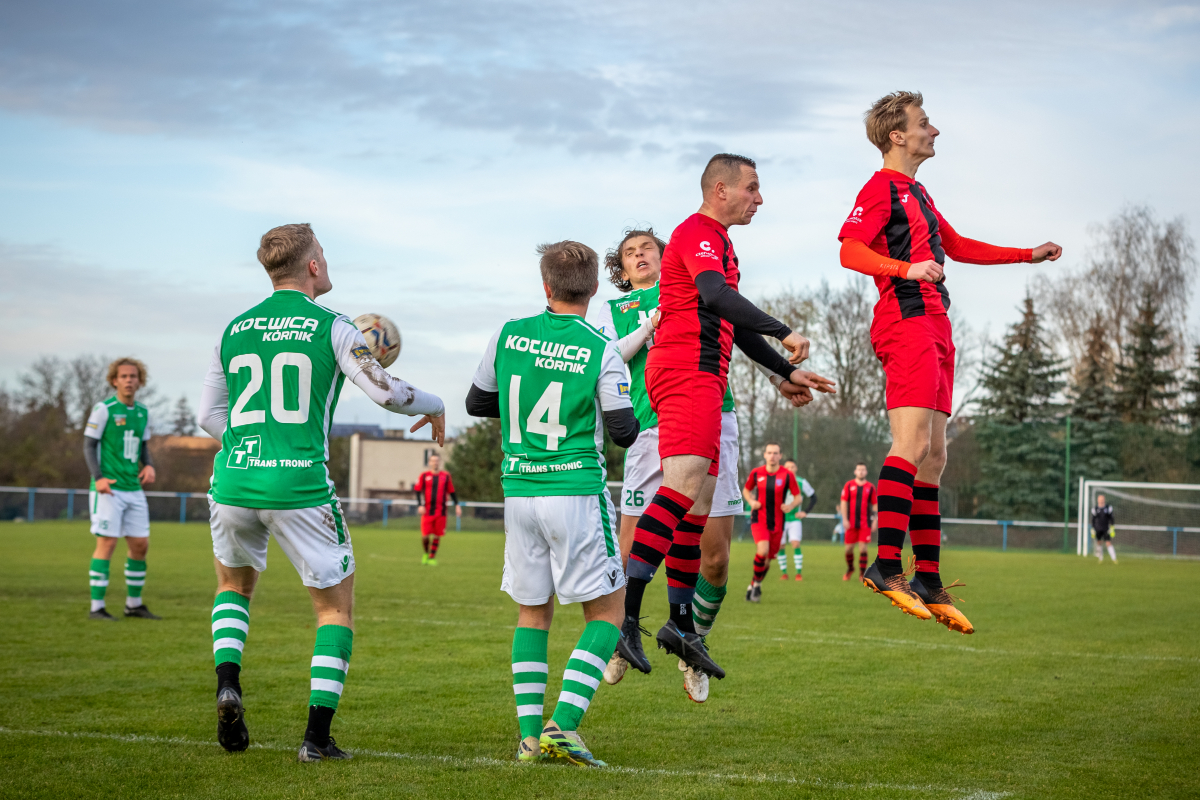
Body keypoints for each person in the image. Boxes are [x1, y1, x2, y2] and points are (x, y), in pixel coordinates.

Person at [196, 223, 446, 761]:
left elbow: (207, 415)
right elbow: (384, 392)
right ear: (312, 265)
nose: (327, 264)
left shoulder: (233, 329)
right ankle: (316, 739)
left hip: (234, 480)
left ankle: (228, 685)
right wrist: (435, 403)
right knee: (334, 610)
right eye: (324, 256)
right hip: (300, 487)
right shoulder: (333, 325)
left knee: (233, 588)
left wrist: (251, 445)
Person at [839, 92, 1062, 634]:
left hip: (937, 326)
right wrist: (906, 269)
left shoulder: (918, 191)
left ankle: (928, 578)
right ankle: (885, 565)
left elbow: (956, 244)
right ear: (897, 135)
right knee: (912, 445)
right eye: (925, 123)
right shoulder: (880, 187)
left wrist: (1025, 255)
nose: (934, 130)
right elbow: (849, 248)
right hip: (907, 320)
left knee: (935, 457)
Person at [615, 153, 835, 684]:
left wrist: (784, 371)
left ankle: (680, 625)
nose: (759, 198)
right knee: (680, 492)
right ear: (721, 189)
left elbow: (726, 318)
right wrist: (784, 330)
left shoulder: (720, 243)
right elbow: (716, 295)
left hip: (707, 377)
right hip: (686, 371)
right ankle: (625, 620)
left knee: (696, 507)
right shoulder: (697, 232)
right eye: (752, 188)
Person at [465, 240, 639, 767]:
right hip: (576, 493)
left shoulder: (508, 333)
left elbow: (476, 401)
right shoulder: (601, 347)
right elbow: (624, 431)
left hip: (519, 490)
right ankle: (562, 725)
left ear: (546, 286)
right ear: (594, 288)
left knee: (532, 612)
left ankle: (527, 738)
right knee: (608, 612)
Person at [589, 227, 763, 703]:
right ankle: (621, 634)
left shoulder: (691, 286)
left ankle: (691, 642)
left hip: (714, 413)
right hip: (649, 426)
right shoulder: (613, 309)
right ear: (622, 269)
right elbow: (610, 359)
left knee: (717, 557)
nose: (639, 255)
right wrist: (650, 326)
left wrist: (780, 372)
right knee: (629, 546)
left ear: (666, 256)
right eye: (629, 253)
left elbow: (736, 325)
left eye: (647, 248)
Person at [84, 357, 160, 621]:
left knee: (140, 544)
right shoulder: (103, 409)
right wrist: (99, 477)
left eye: (133, 376)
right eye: (124, 376)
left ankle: (133, 605)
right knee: (107, 543)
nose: (129, 380)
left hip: (134, 488)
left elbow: (143, 445)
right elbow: (89, 445)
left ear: (140, 381)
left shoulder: (143, 412)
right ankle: (97, 607)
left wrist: (148, 465)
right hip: (109, 489)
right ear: (114, 380)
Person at [742, 443, 801, 601]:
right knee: (762, 550)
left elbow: (798, 497)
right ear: (765, 455)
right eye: (769, 452)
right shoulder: (756, 473)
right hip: (759, 518)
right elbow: (746, 490)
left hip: (777, 522)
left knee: (767, 560)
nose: (772, 456)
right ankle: (756, 587)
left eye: (775, 453)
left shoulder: (787, 475)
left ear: (780, 456)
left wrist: (791, 506)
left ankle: (754, 584)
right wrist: (751, 501)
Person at [415, 453, 460, 565]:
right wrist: (420, 505)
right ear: (430, 462)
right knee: (425, 535)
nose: (435, 463)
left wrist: (457, 505)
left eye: (437, 461)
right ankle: (426, 553)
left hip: (441, 511)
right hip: (427, 511)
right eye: (433, 461)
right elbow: (417, 490)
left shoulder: (446, 476)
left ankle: (431, 557)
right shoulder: (424, 476)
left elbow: (452, 491)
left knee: (437, 534)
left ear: (439, 462)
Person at [776, 459, 816, 581]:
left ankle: (798, 573)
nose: (790, 469)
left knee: (795, 543)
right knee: (781, 545)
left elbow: (813, 497)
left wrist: (805, 512)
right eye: (787, 467)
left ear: (796, 468)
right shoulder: (778, 480)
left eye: (792, 467)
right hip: (780, 518)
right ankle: (784, 573)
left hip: (794, 519)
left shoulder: (801, 482)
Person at [839, 463, 877, 581]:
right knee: (848, 549)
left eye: (863, 469)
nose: (861, 471)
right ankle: (850, 568)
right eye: (859, 469)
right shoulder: (849, 485)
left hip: (865, 523)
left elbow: (875, 504)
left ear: (866, 472)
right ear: (855, 472)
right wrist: (844, 519)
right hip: (851, 523)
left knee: (863, 548)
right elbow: (843, 502)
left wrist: (875, 520)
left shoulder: (870, 487)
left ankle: (862, 573)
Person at [1092, 494, 1117, 563]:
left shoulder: (1108, 508)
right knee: (1099, 542)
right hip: (1098, 529)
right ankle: (1100, 558)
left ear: (1104, 500)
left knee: (1108, 542)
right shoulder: (1095, 509)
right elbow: (1093, 520)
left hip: (1106, 529)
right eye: (1100, 499)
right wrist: (1093, 528)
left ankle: (1114, 558)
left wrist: (1112, 527)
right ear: (1098, 500)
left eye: (1102, 499)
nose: (1101, 500)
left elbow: (1111, 519)